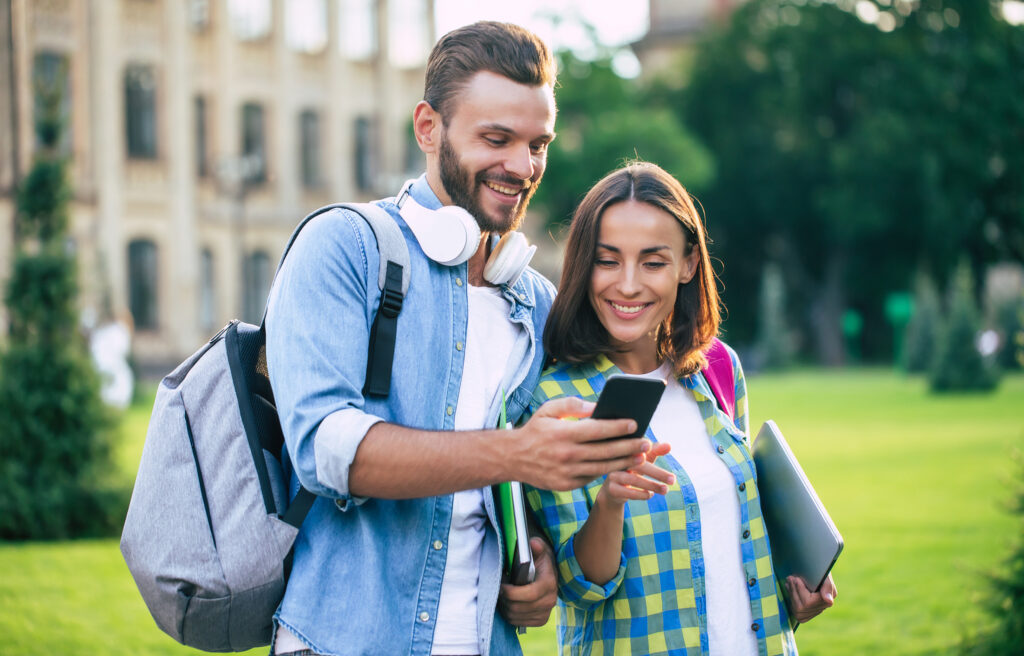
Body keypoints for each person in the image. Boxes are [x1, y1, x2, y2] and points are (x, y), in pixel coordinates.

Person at [265, 22, 649, 656]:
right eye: (496, 139)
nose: (523, 167)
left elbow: (509, 492)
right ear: (428, 128)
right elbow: (325, 450)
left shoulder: (532, 300)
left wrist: (537, 557)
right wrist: (515, 453)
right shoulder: (345, 247)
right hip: (344, 640)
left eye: (538, 144)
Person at [525, 162, 837, 655]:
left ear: (688, 264)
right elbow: (583, 587)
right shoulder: (553, 401)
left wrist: (792, 590)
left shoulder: (717, 368)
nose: (627, 285)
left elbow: (734, 534)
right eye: (608, 261)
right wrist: (611, 500)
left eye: (652, 262)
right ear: (584, 265)